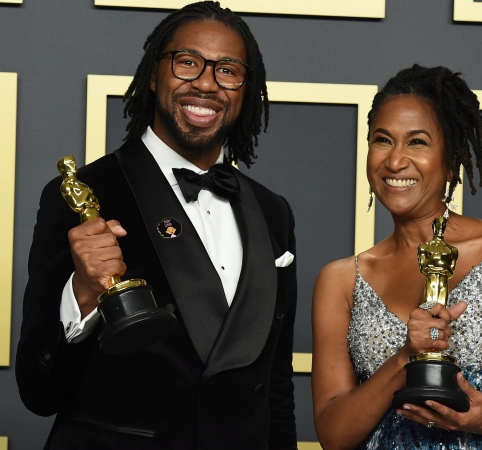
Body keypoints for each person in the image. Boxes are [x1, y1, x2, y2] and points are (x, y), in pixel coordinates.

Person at [15, 2, 297, 449]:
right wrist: (83, 294)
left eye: (227, 70)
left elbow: (276, 388)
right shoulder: (85, 193)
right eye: (187, 63)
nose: (206, 84)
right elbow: (38, 389)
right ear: (153, 73)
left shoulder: (273, 211)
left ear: (247, 89)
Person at [311, 65, 482, 449]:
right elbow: (333, 434)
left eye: (417, 142)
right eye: (382, 140)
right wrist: (405, 358)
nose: (395, 161)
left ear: (452, 158)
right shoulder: (341, 279)